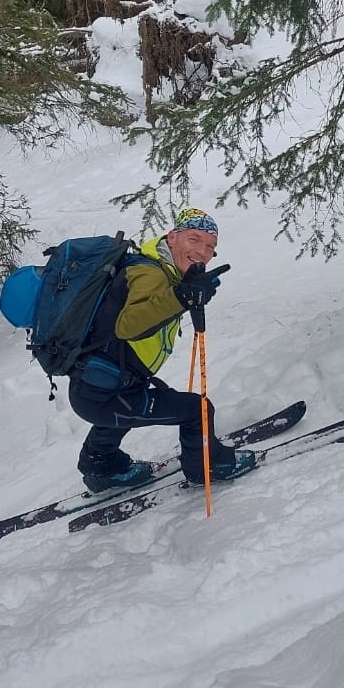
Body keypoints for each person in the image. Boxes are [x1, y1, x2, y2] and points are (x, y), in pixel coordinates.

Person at [68, 207, 256, 492]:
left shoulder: (158, 267)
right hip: (104, 394)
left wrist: (187, 292)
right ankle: (207, 467)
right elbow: (128, 326)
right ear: (172, 238)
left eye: (210, 246)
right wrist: (182, 297)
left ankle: (101, 466)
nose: (203, 251)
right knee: (197, 410)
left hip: (99, 389)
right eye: (194, 239)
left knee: (131, 409)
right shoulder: (150, 273)